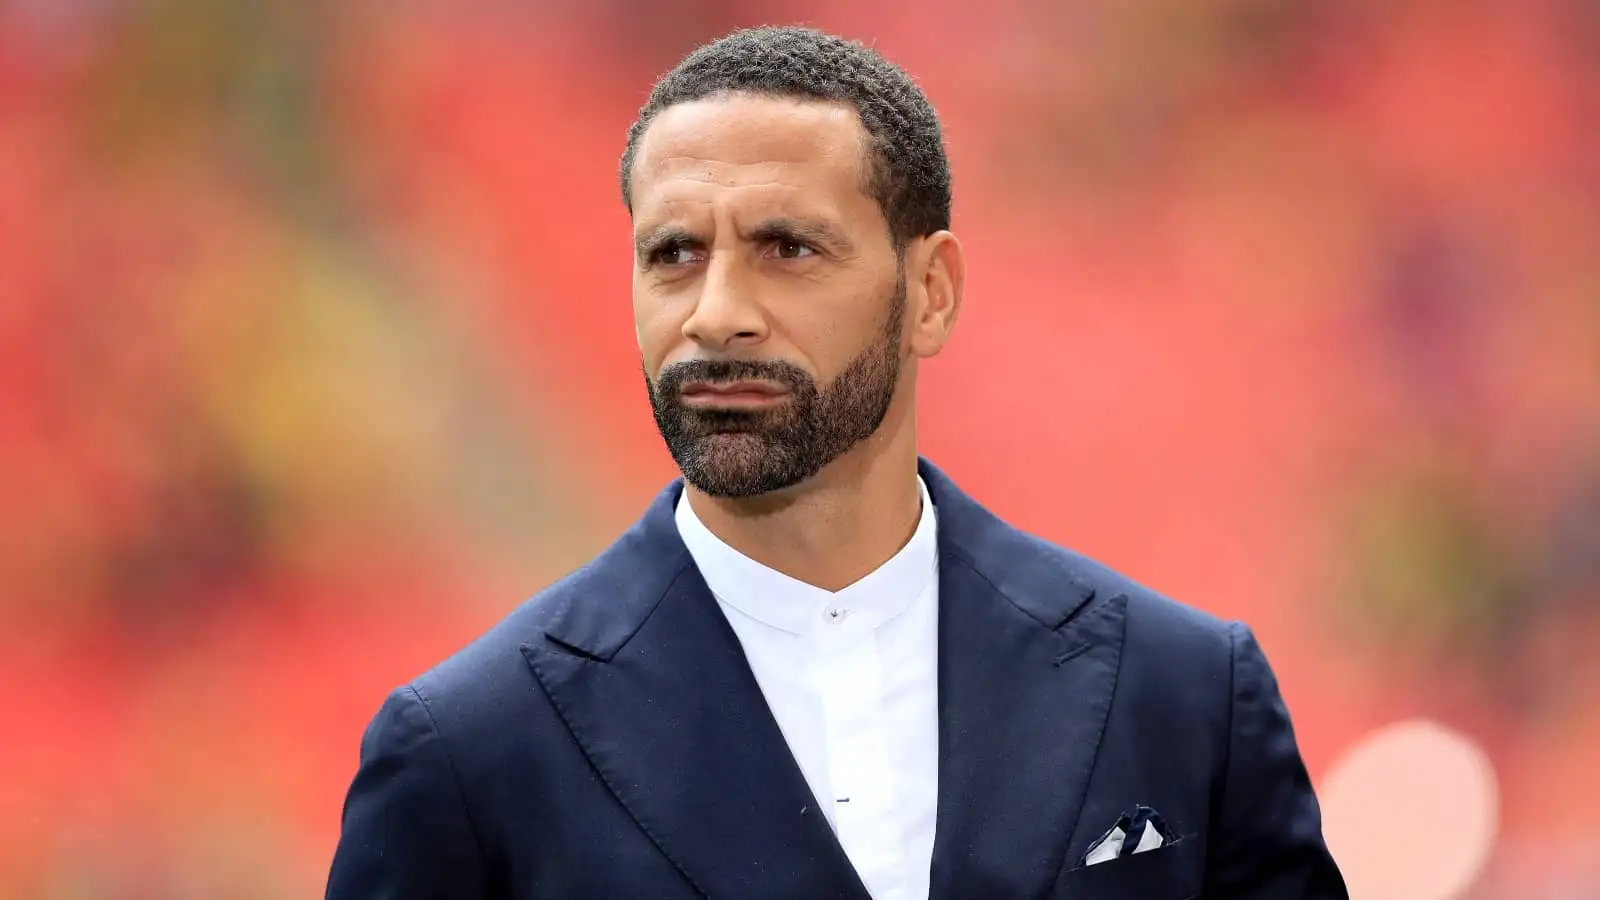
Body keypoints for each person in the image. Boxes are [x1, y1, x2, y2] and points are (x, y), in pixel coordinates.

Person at [326, 25, 1348, 900]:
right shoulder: (467, 751)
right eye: (673, 254)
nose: (716, 314)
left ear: (930, 293)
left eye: (788, 248)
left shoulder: (1183, 694)